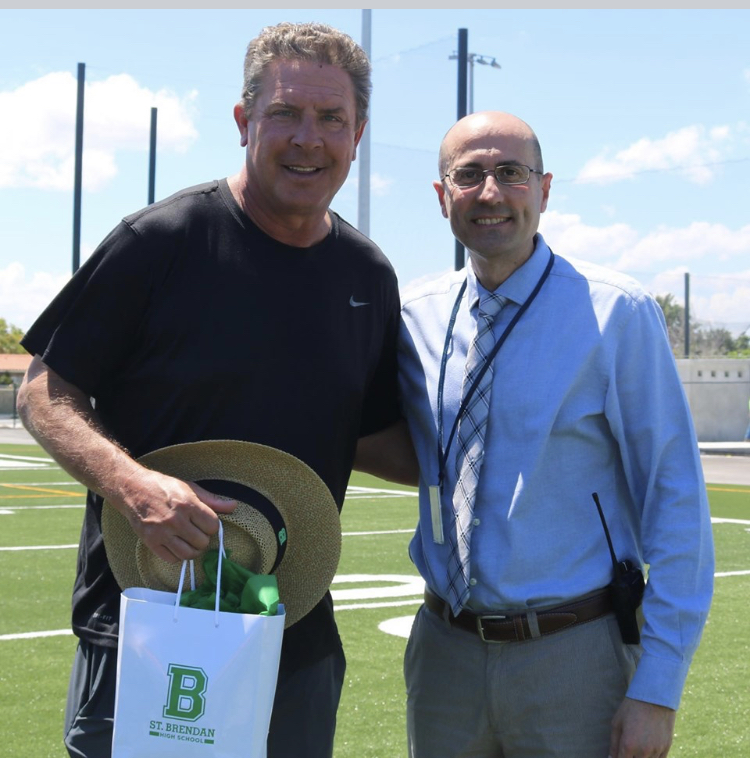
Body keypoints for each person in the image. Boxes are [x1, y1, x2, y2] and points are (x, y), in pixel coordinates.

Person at [18, 21, 413, 759]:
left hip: (291, 634)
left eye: (332, 119)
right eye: (285, 113)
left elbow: (376, 435)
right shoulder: (160, 240)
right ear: (243, 121)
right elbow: (43, 390)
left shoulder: (367, 275)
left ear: (358, 134)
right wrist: (132, 484)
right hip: (144, 625)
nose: (308, 138)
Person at [396, 111, 714, 757]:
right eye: (469, 175)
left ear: (544, 190)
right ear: (441, 197)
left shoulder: (614, 311)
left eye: (511, 173)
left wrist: (658, 686)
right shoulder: (412, 316)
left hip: (574, 655)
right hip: (442, 653)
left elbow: (674, 495)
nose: (490, 192)